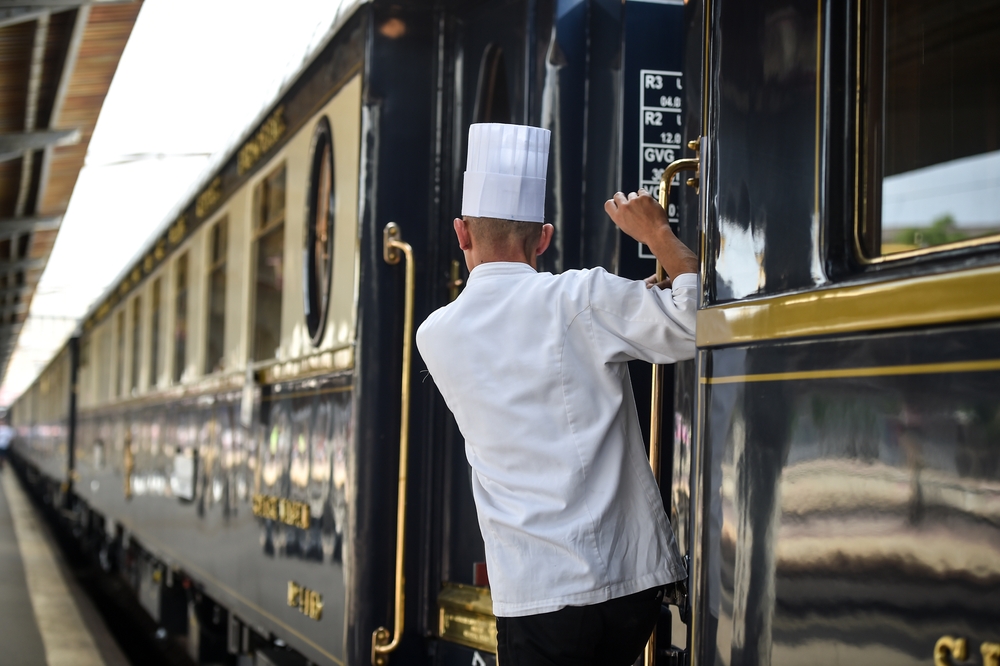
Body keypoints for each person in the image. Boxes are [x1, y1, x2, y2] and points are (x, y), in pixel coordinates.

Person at [416, 123, 698, 666]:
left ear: (461, 233)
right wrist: (658, 234)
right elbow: (695, 323)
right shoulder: (582, 298)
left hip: (536, 592)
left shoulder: (435, 334)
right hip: (627, 585)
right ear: (543, 239)